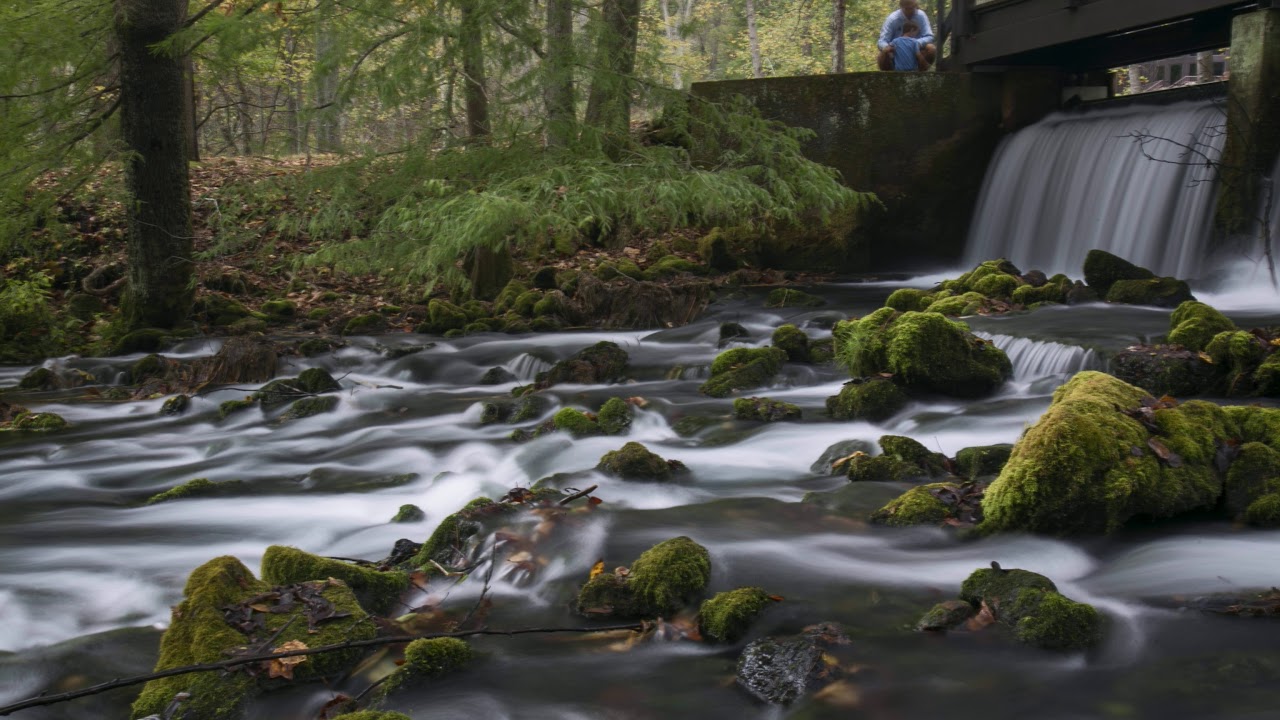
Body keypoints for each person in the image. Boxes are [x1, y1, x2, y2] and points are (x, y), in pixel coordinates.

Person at [878, 0, 936, 72]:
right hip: (895, 53)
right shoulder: (893, 19)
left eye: (912, 8)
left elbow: (929, 36)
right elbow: (882, 41)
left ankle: (920, 73)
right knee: (882, 54)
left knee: (931, 48)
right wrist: (889, 48)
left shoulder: (921, 16)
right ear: (901, 7)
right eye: (907, 8)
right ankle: (890, 75)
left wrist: (914, 44)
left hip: (915, 52)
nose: (910, 11)